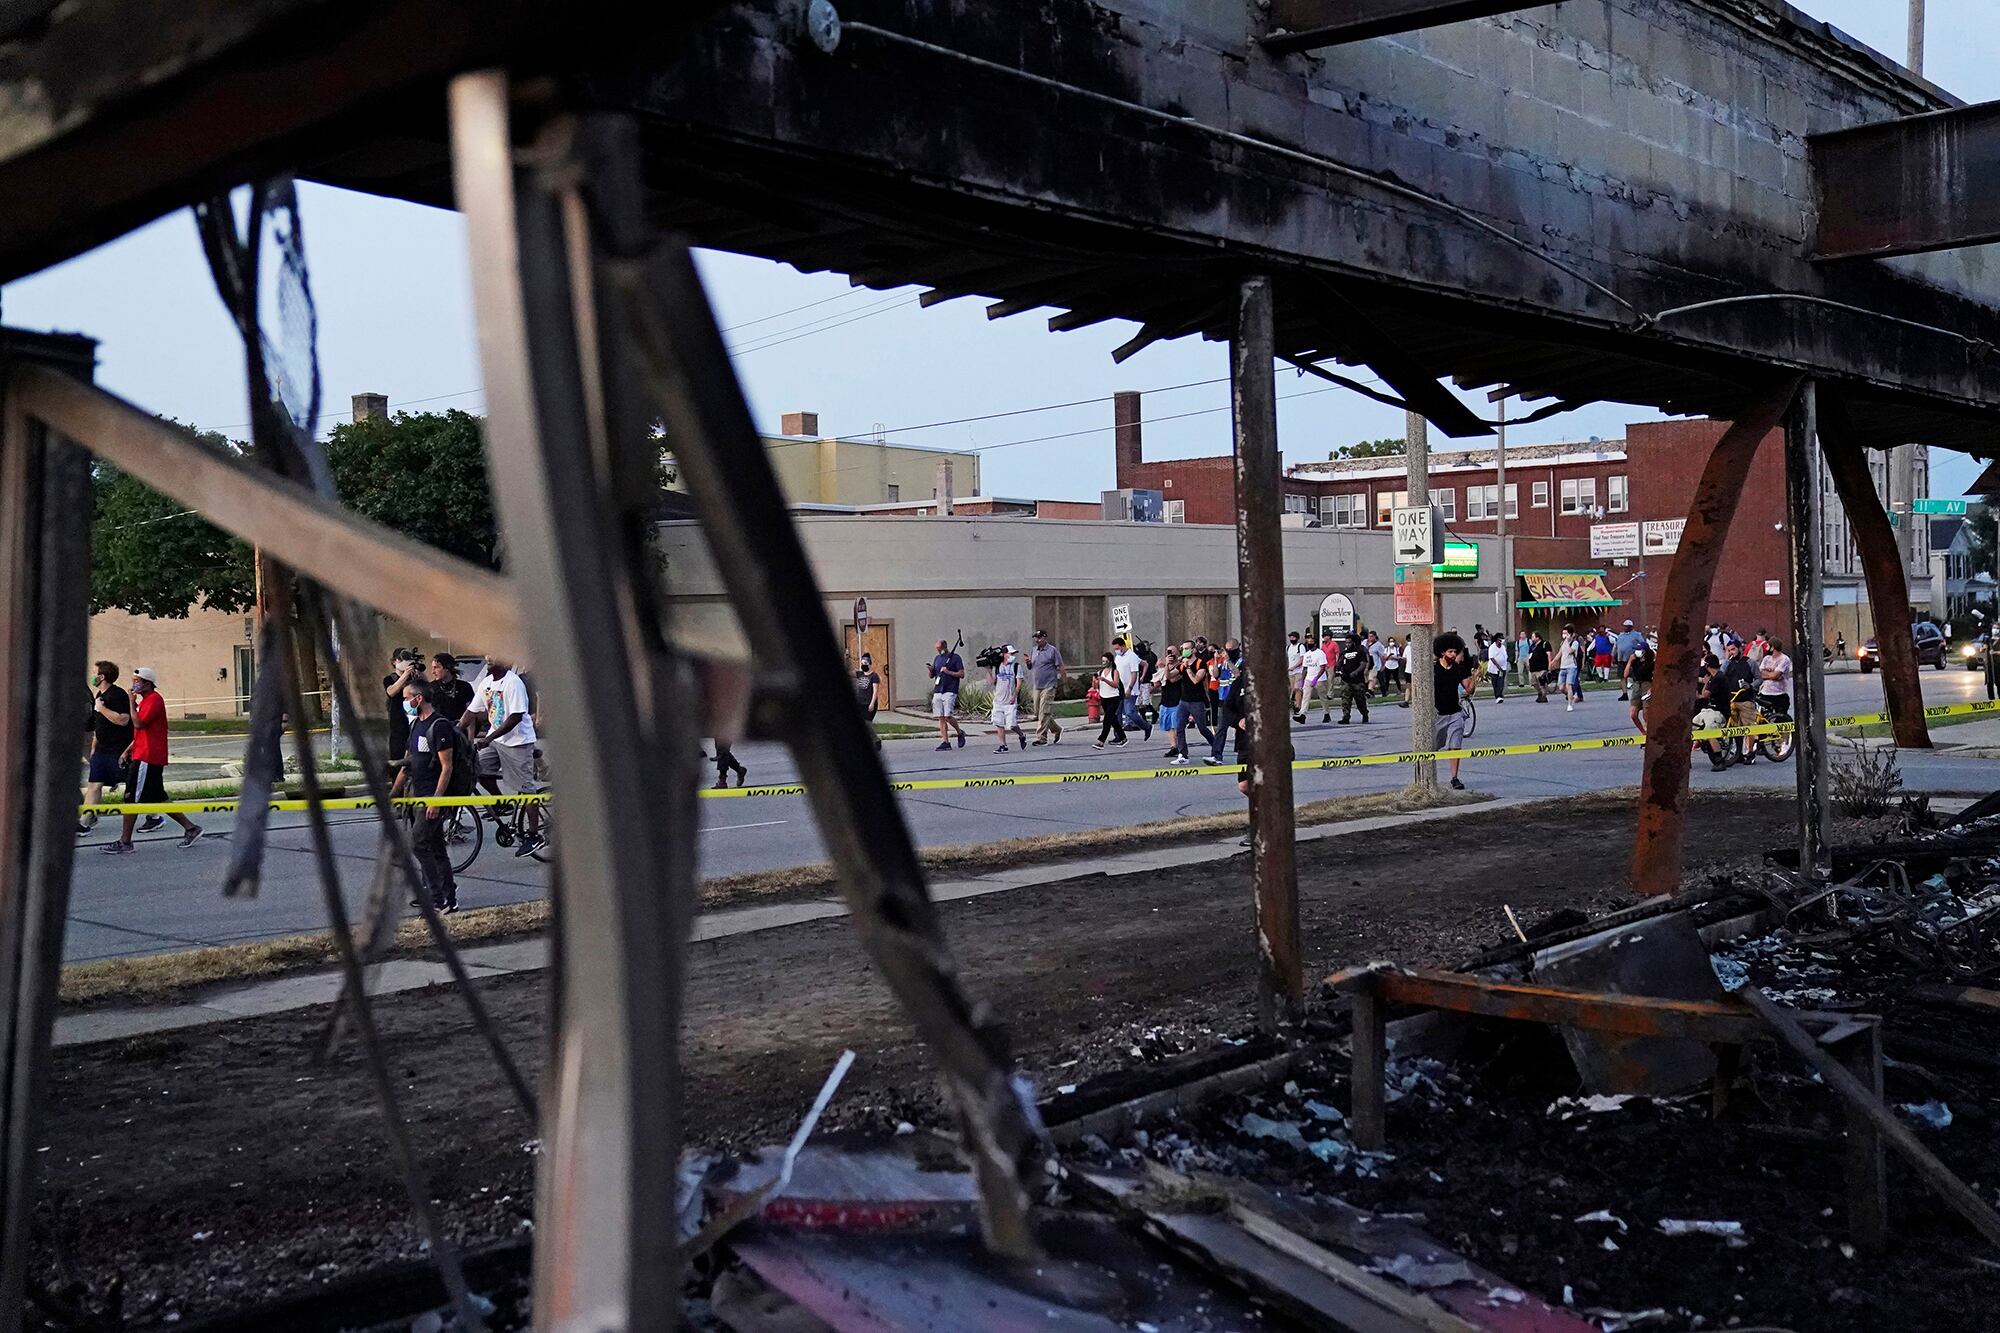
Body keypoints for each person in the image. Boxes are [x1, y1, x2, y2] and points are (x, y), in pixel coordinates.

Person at [101, 668, 201, 853]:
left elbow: (138, 723)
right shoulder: (146, 701)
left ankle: (125, 842)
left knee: (130, 797)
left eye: (137, 681)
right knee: (157, 798)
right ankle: (191, 828)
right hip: (142, 753)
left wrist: (131, 703)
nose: (134, 684)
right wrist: (128, 750)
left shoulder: (154, 700)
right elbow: (142, 732)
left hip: (148, 757)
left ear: (147, 683)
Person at [391, 679, 462, 912]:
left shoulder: (438, 726)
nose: (405, 703)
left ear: (418, 698)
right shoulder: (415, 726)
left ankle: (436, 896)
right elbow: (409, 762)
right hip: (417, 796)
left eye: (406, 698)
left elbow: (447, 767)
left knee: (419, 844)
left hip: (432, 797)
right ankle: (449, 898)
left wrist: (436, 801)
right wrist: (394, 793)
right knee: (436, 848)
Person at [470, 656, 544, 852]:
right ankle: (501, 803)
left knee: (526, 788)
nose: (489, 659)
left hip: (517, 742)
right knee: (479, 769)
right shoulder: (486, 683)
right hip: (497, 740)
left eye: (494, 657)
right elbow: (472, 711)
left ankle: (534, 835)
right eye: (487, 656)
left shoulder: (514, 683)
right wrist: (456, 730)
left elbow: (516, 716)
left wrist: (488, 737)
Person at [80, 661, 133, 836]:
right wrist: (94, 745)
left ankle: (154, 815)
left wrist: (102, 709)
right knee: (94, 785)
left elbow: (123, 719)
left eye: (94, 672)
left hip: (119, 749)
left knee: (134, 785)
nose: (92, 675)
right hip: (102, 749)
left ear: (102, 677)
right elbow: (99, 725)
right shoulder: (98, 695)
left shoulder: (117, 695)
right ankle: (84, 822)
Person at [1432, 633, 1476, 791]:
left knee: (1455, 745)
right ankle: (1428, 777)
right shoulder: (1434, 669)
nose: (1453, 654)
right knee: (1434, 745)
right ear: (1443, 652)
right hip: (1438, 715)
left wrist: (1475, 676)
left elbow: (1469, 690)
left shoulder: (1459, 669)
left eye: (1455, 652)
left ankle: (1455, 778)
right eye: (1450, 651)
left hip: (1455, 713)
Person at [1717, 639, 1760, 765]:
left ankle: (1751, 752)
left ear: (1739, 648)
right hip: (1731, 699)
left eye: (1733, 649)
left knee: (1749, 727)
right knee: (1735, 728)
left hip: (1746, 699)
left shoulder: (1750, 663)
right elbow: (1721, 677)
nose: (1731, 652)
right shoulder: (1727, 664)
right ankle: (1738, 753)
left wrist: (1750, 686)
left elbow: (1759, 679)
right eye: (1729, 650)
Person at [383, 647, 421, 775]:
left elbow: (427, 690)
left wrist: (417, 673)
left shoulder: (415, 678)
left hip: (416, 722)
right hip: (399, 724)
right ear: (394, 662)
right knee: (398, 758)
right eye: (401, 659)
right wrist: (405, 675)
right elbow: (391, 692)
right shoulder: (390, 679)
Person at [1694, 655, 1735, 771]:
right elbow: (1704, 693)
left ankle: (1719, 761)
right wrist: (1706, 682)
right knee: (1692, 726)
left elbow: (1705, 694)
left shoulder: (1719, 678)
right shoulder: (1713, 677)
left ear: (1708, 666)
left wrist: (1705, 687)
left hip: (1719, 712)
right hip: (1708, 710)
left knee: (1709, 732)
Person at [928, 638, 967, 751]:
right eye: (937, 649)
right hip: (938, 690)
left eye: (939, 648)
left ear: (945, 647)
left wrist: (948, 672)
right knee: (940, 717)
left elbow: (961, 674)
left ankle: (960, 732)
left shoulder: (955, 658)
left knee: (948, 716)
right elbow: (932, 675)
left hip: (950, 689)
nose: (938, 650)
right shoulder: (937, 658)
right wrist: (931, 670)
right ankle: (945, 741)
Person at [1180, 640, 1218, 753]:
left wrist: (1187, 668)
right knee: (1179, 727)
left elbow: (1196, 680)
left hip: (1197, 700)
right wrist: (1168, 665)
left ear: (1193, 650)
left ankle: (1216, 747)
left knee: (1202, 728)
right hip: (1184, 700)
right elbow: (1172, 677)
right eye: (1183, 649)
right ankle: (1182, 754)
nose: (1184, 651)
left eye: (1187, 649)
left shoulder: (1200, 663)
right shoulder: (1183, 663)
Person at [1027, 629, 1064, 746]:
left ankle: (1042, 738)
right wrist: (1028, 663)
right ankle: (1056, 729)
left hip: (1049, 685)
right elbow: (1031, 667)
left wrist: (1064, 682)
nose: (1037, 640)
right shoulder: (1034, 651)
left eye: (1039, 638)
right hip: (1037, 686)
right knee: (1039, 713)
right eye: (1036, 638)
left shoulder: (1052, 651)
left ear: (1045, 637)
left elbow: (1061, 666)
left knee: (1044, 712)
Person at [989, 645, 1029, 751]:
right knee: (999, 723)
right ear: (1004, 654)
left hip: (1010, 701)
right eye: (1011, 654)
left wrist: (1014, 695)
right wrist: (988, 669)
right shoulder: (998, 667)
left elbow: (1019, 683)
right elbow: (992, 682)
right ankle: (1003, 745)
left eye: (1013, 654)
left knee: (1011, 725)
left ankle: (1021, 735)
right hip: (998, 700)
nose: (1013, 656)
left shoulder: (1016, 667)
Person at [1113, 636, 1152, 741]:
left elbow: (1134, 673)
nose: (1116, 651)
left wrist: (1130, 687)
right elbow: (1144, 663)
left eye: (1117, 648)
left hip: (1130, 689)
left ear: (1123, 646)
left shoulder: (1132, 656)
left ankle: (1146, 726)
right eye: (1115, 649)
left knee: (1130, 712)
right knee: (1117, 712)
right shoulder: (1118, 657)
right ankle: (1118, 735)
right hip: (1118, 689)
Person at [1091, 652, 1127, 749]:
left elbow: (1116, 684)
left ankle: (1101, 741)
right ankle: (1123, 737)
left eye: (1105, 661)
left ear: (1110, 661)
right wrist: (1095, 681)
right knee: (1113, 719)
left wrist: (1104, 680)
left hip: (1113, 698)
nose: (1103, 663)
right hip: (1104, 698)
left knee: (1107, 720)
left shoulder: (1114, 672)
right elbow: (1094, 687)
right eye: (1102, 661)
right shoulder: (1100, 672)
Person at [428, 653, 474, 726]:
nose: (433, 672)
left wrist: (470, 736)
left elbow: (471, 713)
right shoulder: (430, 688)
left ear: (447, 668)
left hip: (459, 729)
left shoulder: (464, 687)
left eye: (436, 667)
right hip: (438, 729)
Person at [1334, 631, 1370, 723]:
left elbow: (1363, 664)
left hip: (1357, 680)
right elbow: (1339, 664)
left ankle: (1364, 714)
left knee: (1360, 700)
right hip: (1346, 680)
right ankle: (1346, 717)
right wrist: (1339, 671)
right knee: (1345, 700)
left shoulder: (1360, 651)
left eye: (1349, 642)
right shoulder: (1344, 653)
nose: (1347, 644)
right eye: (1346, 642)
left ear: (1353, 642)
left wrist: (1356, 672)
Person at [1758, 636, 1794, 723]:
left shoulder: (1784, 659)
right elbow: (1760, 673)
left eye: (1767, 646)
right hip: (1765, 694)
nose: (1766, 648)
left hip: (1779, 694)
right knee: (1763, 720)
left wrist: (1770, 674)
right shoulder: (1766, 659)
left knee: (1781, 721)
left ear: (1772, 647)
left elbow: (1776, 675)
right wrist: (1771, 674)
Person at [854, 652, 883, 752]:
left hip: (869, 703)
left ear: (870, 664)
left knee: (867, 723)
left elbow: (875, 692)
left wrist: (872, 703)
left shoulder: (874, 676)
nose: (864, 665)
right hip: (860, 703)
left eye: (865, 663)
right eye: (862, 663)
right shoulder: (860, 674)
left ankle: (876, 740)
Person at [1624, 638, 1654, 734]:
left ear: (1644, 651)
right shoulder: (1635, 662)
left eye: (1639, 650)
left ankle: (1649, 731)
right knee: (1633, 713)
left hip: (1647, 684)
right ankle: (1643, 732)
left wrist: (1652, 688)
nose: (1636, 652)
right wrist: (1630, 662)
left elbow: (1656, 675)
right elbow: (1625, 674)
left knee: (1646, 713)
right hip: (1637, 685)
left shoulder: (1651, 662)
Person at [1612, 619, 1646, 700]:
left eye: (1627, 626)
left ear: (1631, 627)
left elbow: (1643, 645)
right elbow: (1616, 646)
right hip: (1621, 659)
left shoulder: (1637, 635)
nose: (1625, 627)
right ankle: (1624, 693)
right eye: (1624, 626)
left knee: (1635, 676)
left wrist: (1641, 655)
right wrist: (1613, 656)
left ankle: (1637, 693)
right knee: (1622, 676)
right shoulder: (1620, 635)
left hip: (1633, 659)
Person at [1556, 627, 1583, 710]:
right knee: (1561, 687)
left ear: (1570, 634)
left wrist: (1567, 641)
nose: (1564, 635)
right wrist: (1552, 662)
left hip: (1571, 666)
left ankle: (1570, 704)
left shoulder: (1575, 643)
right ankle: (1571, 695)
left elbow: (1570, 651)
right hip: (1563, 667)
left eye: (1566, 633)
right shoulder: (1563, 643)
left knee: (1569, 685)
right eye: (1563, 633)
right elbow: (1560, 653)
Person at [1285, 630, 1306, 717]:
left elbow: (1302, 659)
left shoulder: (1300, 647)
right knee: (1292, 688)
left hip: (1298, 671)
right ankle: (1293, 703)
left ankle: (1298, 706)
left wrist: (1295, 667)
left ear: (1297, 638)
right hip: (1291, 672)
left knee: (1297, 689)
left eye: (1293, 637)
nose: (1291, 639)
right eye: (1290, 637)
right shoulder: (1288, 647)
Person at [1528, 632, 1552, 703]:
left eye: (1533, 637)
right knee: (1534, 683)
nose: (1532, 638)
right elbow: (1529, 655)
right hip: (1533, 668)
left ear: (1538, 637)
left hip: (1542, 667)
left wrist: (1550, 664)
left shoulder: (1545, 644)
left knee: (1541, 682)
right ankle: (1540, 693)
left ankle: (1544, 696)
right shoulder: (1532, 646)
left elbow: (1549, 654)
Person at [1486, 632, 1509, 701]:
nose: (1502, 640)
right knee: (1495, 683)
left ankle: (1499, 696)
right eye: (1501, 639)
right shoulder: (1492, 647)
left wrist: (1503, 667)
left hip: (1503, 668)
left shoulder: (1503, 647)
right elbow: (1492, 658)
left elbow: (1505, 656)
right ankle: (1497, 696)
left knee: (1500, 682)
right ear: (1497, 639)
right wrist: (1499, 667)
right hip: (1494, 669)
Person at [1381, 634, 1403, 706]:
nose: (1392, 643)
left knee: (1396, 679)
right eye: (1390, 641)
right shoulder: (1386, 649)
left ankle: (1399, 690)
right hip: (1388, 666)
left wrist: (1394, 658)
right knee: (1387, 679)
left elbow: (1399, 657)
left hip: (1395, 666)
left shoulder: (1396, 649)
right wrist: (1390, 655)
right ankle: (1386, 691)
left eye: (1393, 641)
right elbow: (1385, 658)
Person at [1364, 631, 1386, 698]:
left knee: (1380, 680)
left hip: (1376, 665)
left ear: (1375, 637)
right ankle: (1371, 693)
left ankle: (1384, 694)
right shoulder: (1365, 642)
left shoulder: (1378, 645)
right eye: (1369, 636)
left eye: (1371, 636)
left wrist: (1383, 665)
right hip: (1367, 665)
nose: (1370, 638)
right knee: (1369, 680)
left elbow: (1382, 656)